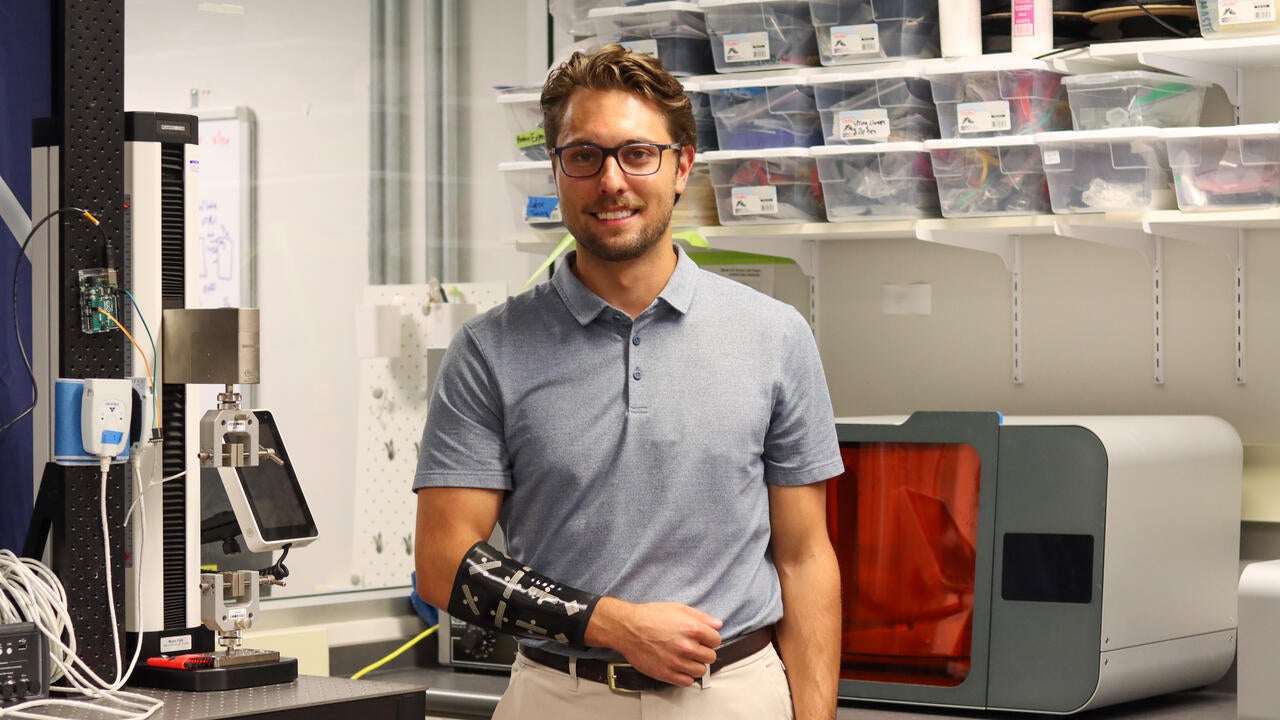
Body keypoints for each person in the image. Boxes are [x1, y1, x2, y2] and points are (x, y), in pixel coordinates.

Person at [413, 44, 843, 720]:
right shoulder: (488, 350)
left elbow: (806, 558)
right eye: (584, 155)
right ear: (555, 170)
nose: (611, 181)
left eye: (638, 154)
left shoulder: (776, 336)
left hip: (732, 694)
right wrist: (613, 625)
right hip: (557, 697)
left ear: (683, 166)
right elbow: (443, 564)